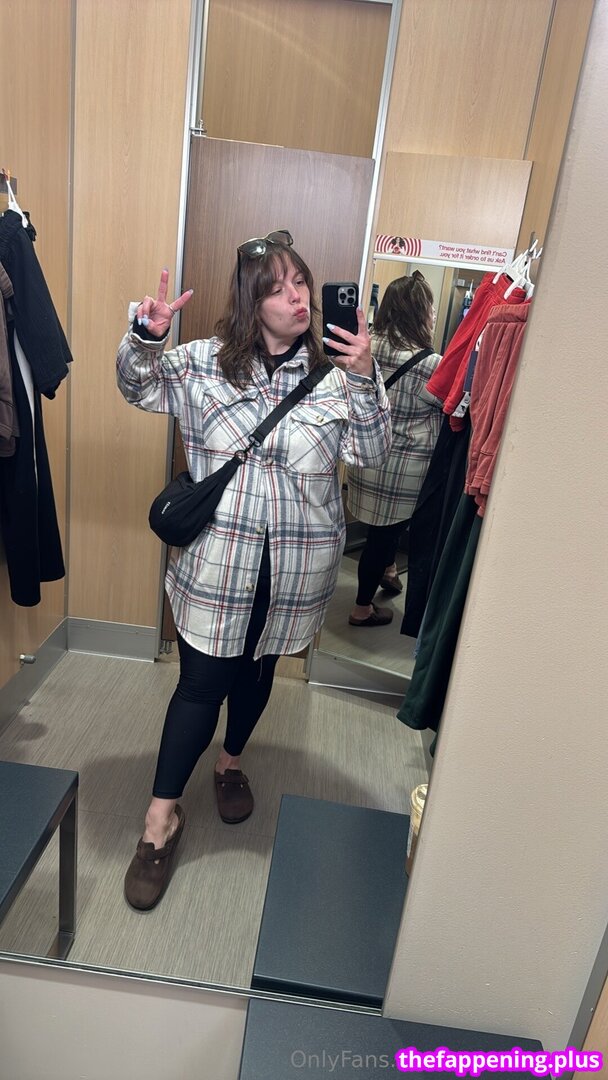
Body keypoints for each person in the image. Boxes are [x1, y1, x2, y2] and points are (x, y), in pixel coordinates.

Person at [116, 230, 391, 910]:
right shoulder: (203, 365)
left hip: (294, 571)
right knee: (199, 686)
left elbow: (372, 453)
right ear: (251, 302)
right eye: (277, 287)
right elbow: (136, 387)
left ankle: (231, 762)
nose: (296, 296)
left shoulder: (336, 376)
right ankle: (159, 821)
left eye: (300, 282)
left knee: (258, 670)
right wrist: (147, 336)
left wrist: (365, 376)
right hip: (218, 566)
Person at [346, 271, 442, 626]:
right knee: (383, 538)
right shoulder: (431, 364)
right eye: (429, 308)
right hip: (403, 470)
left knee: (378, 530)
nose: (433, 315)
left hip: (366, 459)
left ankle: (387, 570)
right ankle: (361, 609)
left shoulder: (366, 346)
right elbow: (447, 407)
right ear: (420, 312)